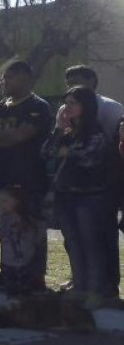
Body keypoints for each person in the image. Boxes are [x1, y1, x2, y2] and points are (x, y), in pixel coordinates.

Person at [0, 61, 53, 287]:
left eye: (10, 77)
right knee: (5, 229)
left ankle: (36, 275)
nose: (4, 82)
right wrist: (4, 139)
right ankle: (9, 269)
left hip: (29, 180)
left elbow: (23, 135)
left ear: (26, 79)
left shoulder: (38, 106)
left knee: (32, 228)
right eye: (3, 78)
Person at [42, 86, 116, 308]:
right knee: (72, 243)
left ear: (86, 106)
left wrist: (68, 152)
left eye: (73, 103)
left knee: (91, 244)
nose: (67, 108)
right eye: (66, 103)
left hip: (90, 197)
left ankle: (96, 289)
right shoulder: (65, 132)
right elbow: (46, 153)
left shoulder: (95, 131)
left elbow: (89, 158)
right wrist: (58, 129)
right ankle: (80, 285)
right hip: (65, 195)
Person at [0, 185, 44, 298]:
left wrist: (33, 246)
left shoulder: (29, 218)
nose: (1, 205)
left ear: (17, 201)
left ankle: (25, 309)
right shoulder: (4, 218)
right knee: (11, 289)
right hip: (8, 261)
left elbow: (38, 233)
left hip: (26, 260)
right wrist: (0, 220)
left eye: (5, 201)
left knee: (26, 291)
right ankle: (12, 307)